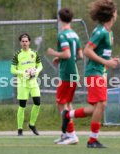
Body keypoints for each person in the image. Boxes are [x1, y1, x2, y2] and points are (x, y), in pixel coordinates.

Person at [61, 0, 120, 148]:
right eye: (116, 11)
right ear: (112, 14)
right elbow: (87, 51)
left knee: (96, 108)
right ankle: (92, 140)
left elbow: (101, 53)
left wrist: (109, 60)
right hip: (94, 73)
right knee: (102, 104)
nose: (116, 13)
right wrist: (106, 63)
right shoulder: (100, 32)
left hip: (100, 72)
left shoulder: (108, 32)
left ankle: (68, 115)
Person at [47, 8, 83, 145]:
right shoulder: (75, 35)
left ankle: (72, 135)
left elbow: (67, 54)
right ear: (71, 19)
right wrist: (61, 59)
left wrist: (54, 53)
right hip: (74, 73)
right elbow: (79, 55)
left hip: (67, 74)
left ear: (59, 19)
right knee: (67, 104)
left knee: (61, 104)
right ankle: (65, 134)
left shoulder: (62, 35)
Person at [11, 33, 43, 136]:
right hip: (22, 84)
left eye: (26, 41)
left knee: (37, 103)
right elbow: (12, 70)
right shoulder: (17, 55)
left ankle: (32, 124)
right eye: (23, 41)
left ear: (29, 42)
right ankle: (20, 129)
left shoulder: (34, 53)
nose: (25, 43)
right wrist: (23, 73)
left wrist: (36, 72)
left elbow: (40, 66)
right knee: (22, 106)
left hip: (33, 83)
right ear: (20, 43)